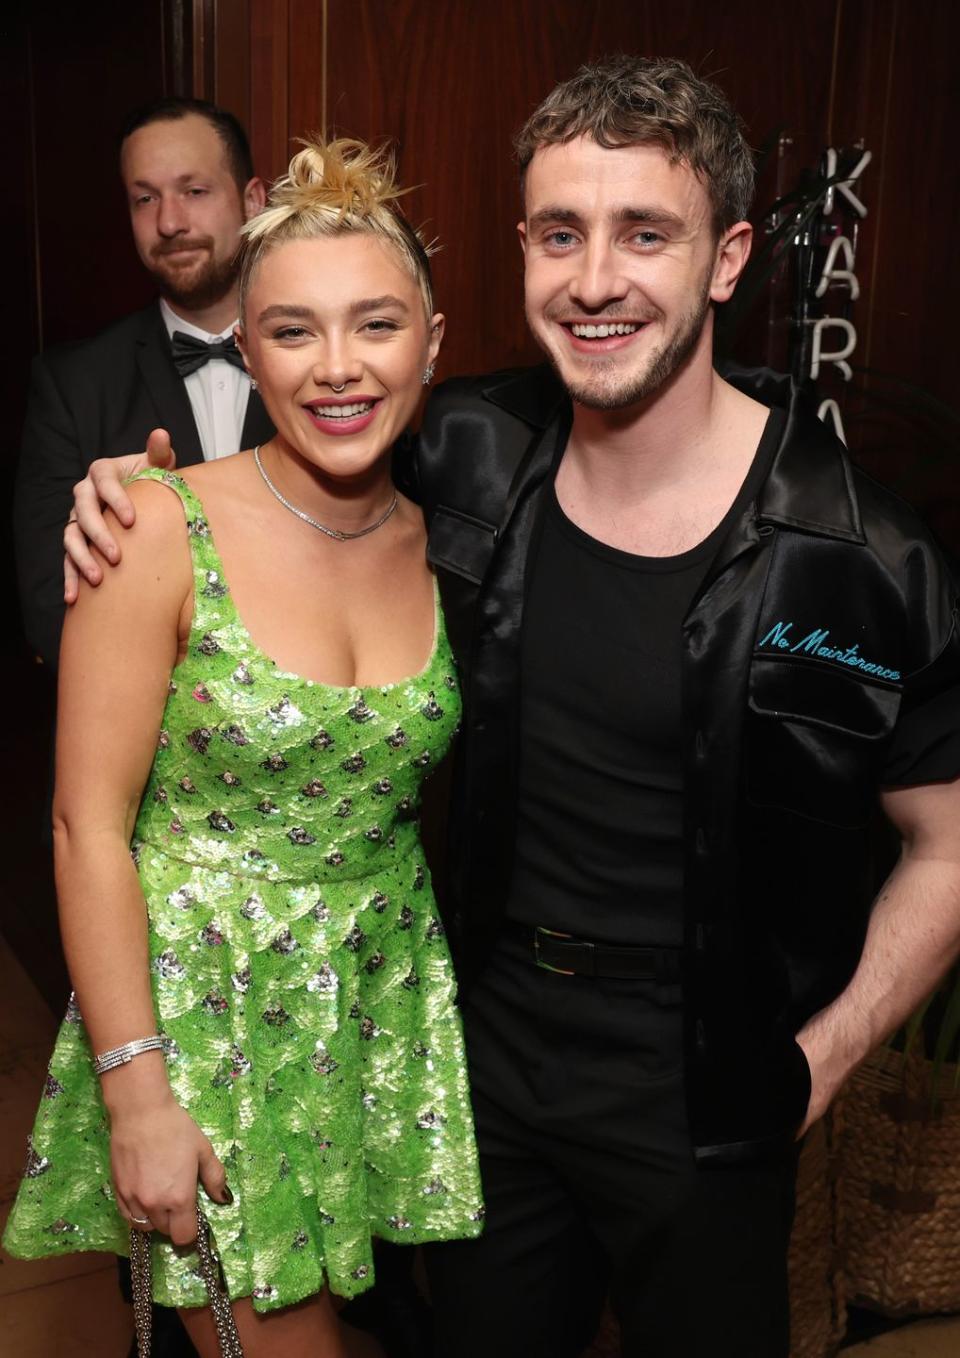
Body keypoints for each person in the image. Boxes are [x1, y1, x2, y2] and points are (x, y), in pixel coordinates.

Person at [60, 56, 960, 1358]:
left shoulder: (861, 551)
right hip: (476, 1066)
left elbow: (948, 833)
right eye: (559, 234)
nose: (596, 278)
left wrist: (824, 1054)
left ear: (728, 257)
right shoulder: (466, 449)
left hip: (707, 1089)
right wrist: (130, 491)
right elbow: (300, 462)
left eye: (645, 231)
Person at [4, 137, 483, 1358]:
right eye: (292, 331)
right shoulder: (155, 522)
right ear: (247, 346)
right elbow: (86, 825)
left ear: (432, 340)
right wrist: (136, 1088)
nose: (337, 368)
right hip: (204, 1010)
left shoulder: (460, 536)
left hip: (373, 1006)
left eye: (375, 325)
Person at [15, 96, 273, 671]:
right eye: (145, 198)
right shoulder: (70, 384)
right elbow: (49, 610)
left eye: (195, 191)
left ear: (253, 201)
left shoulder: (323, 367)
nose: (170, 222)